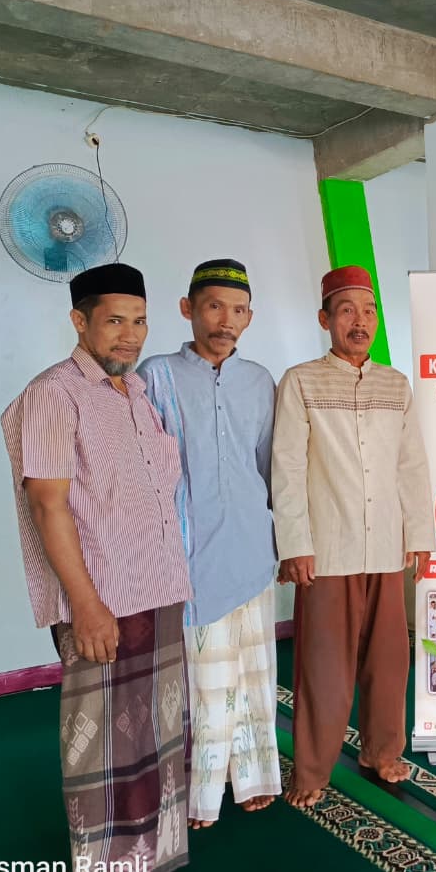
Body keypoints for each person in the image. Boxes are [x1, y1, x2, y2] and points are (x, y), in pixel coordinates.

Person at [1, 262, 189, 872]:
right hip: (104, 600)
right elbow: (48, 505)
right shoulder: (54, 393)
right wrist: (85, 605)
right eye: (114, 320)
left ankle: (145, 862)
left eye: (139, 321)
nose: (130, 335)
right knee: (105, 747)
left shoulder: (134, 391)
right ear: (79, 321)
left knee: (154, 735)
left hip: (158, 588)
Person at [272, 264, 435, 809]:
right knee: (323, 667)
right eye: (347, 311)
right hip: (327, 548)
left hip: (386, 544)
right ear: (325, 320)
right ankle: (312, 770)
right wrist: (295, 544)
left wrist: (420, 533)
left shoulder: (395, 384)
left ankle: (382, 751)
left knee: (389, 660)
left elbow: (411, 464)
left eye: (368, 311)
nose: (359, 322)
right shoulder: (300, 381)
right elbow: (287, 467)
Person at [138, 258, 280, 829]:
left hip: (251, 549)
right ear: (187, 309)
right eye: (215, 307)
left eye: (238, 310)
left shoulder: (260, 381)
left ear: (250, 317)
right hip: (191, 555)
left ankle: (254, 779)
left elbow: (267, 466)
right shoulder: (157, 376)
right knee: (204, 681)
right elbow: (144, 470)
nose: (227, 321)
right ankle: (201, 794)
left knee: (255, 676)